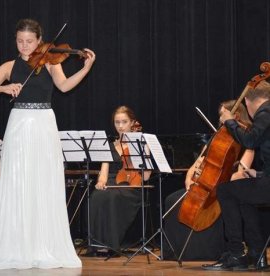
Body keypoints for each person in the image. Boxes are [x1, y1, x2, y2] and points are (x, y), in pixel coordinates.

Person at [0, 18, 96, 269]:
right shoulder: (9, 66)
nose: (24, 46)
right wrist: (3, 88)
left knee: (43, 181)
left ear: (40, 41)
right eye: (20, 41)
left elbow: (64, 87)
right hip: (19, 123)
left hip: (44, 124)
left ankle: (43, 244)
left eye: (29, 41)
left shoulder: (50, 62)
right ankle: (16, 246)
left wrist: (85, 69)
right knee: (17, 181)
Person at [163, 100, 254, 261]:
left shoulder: (247, 140)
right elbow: (196, 163)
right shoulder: (218, 137)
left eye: (222, 115)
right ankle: (178, 252)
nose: (219, 120)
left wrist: (213, 182)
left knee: (210, 204)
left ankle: (207, 252)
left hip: (226, 187)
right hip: (205, 185)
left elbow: (240, 174)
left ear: (236, 115)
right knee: (172, 199)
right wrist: (190, 180)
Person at [202, 81, 270, 271]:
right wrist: (258, 172)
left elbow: (249, 140)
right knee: (243, 193)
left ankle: (236, 252)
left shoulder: (265, 113)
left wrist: (230, 121)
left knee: (224, 190)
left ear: (247, 101)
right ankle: (257, 254)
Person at [84, 106, 151, 257]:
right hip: (112, 182)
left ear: (132, 123)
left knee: (112, 197)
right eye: (117, 122)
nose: (120, 126)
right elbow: (103, 173)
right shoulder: (109, 145)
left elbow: (145, 177)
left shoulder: (141, 144)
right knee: (97, 196)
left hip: (131, 186)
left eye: (124, 122)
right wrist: (101, 182)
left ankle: (111, 245)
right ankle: (97, 245)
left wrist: (141, 151)